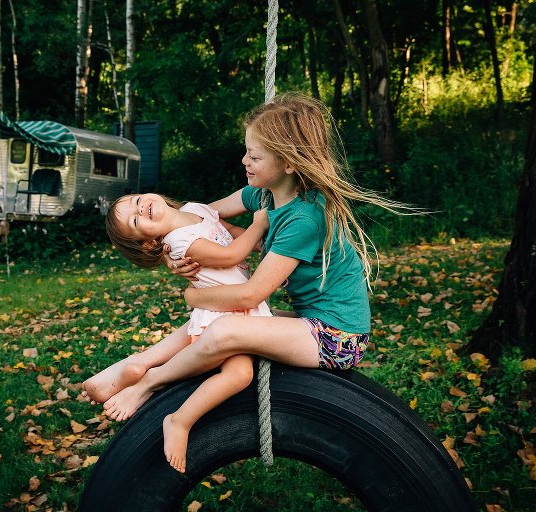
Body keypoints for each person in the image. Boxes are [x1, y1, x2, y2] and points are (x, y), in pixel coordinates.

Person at [86, 92, 409, 472]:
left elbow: (254, 292)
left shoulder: (305, 217)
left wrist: (193, 293)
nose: (244, 161)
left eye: (254, 156)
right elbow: (201, 218)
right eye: (246, 151)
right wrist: (178, 255)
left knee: (223, 330)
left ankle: (149, 383)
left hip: (336, 339)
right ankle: (134, 364)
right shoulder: (264, 193)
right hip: (310, 320)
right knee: (208, 324)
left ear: (288, 162)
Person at [82, 193, 272, 473]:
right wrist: (260, 224)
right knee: (239, 376)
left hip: (228, 306)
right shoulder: (182, 243)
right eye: (135, 220)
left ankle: (140, 366)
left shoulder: (197, 208)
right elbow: (232, 254)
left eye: (136, 201)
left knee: (221, 362)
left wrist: (267, 249)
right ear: (149, 242)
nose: (140, 208)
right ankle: (179, 420)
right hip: (223, 314)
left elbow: (231, 234)